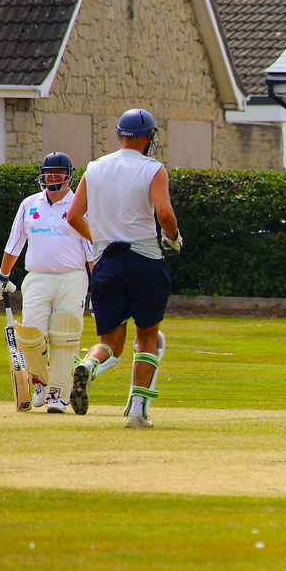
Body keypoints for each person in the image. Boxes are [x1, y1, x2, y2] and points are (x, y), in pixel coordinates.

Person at [64, 108, 183, 428]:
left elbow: (73, 216)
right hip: (145, 261)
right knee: (148, 337)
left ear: (120, 136)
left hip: (107, 264)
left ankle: (89, 365)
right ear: (148, 138)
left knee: (110, 343)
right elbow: (165, 215)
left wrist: (100, 241)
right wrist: (174, 238)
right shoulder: (154, 169)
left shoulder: (95, 167)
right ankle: (137, 412)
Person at [0, 152, 93, 413]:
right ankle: (41, 383)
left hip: (72, 277)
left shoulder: (81, 205)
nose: (53, 177)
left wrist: (100, 286)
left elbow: (92, 251)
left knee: (65, 334)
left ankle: (59, 394)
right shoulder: (29, 204)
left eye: (58, 173)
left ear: (69, 176)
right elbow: (15, 244)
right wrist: (3, 276)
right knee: (29, 334)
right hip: (37, 277)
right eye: (48, 173)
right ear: (42, 175)